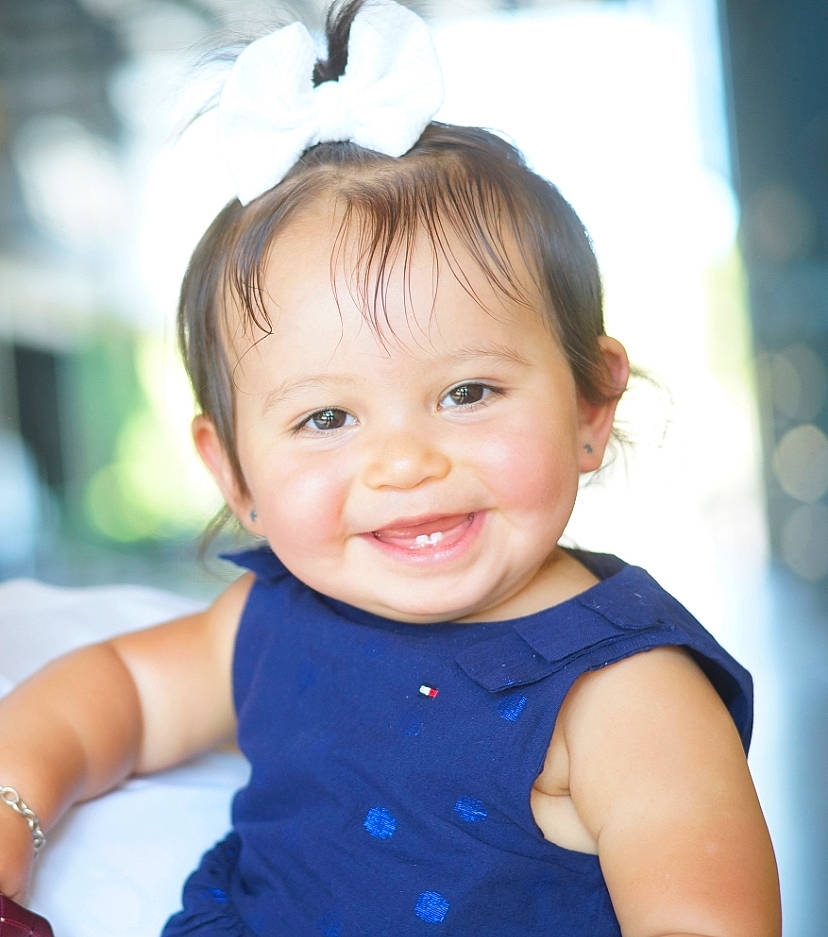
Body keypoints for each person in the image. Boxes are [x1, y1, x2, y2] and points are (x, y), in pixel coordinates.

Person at [0, 1, 781, 934]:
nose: (406, 460)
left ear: (589, 403)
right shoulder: (272, 618)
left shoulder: (624, 695)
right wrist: (16, 809)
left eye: (468, 393)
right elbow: (113, 696)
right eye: (326, 417)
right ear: (235, 474)